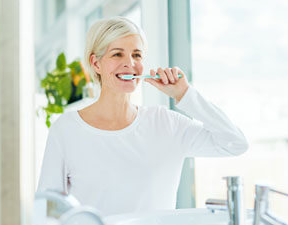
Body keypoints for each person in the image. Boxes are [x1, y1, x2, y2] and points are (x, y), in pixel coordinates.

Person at [37, 16, 249, 217]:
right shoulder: (66, 130)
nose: (130, 63)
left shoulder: (166, 124)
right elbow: (47, 211)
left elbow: (235, 143)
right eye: (117, 54)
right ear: (96, 63)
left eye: (137, 55)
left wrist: (185, 95)